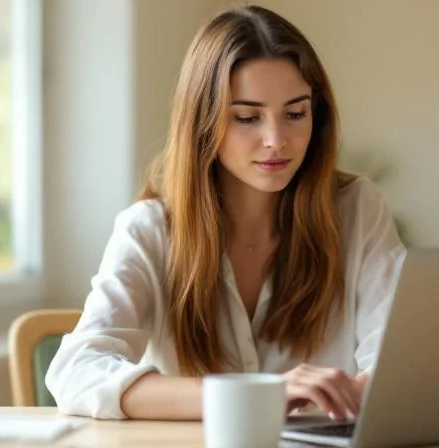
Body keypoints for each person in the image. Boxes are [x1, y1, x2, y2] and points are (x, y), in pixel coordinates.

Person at [45, 4, 406, 422]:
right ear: (203, 122)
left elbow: (397, 362)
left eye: (295, 113)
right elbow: (77, 370)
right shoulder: (149, 230)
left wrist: (371, 387)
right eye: (248, 117)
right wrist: (254, 396)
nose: (276, 140)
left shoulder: (358, 209)